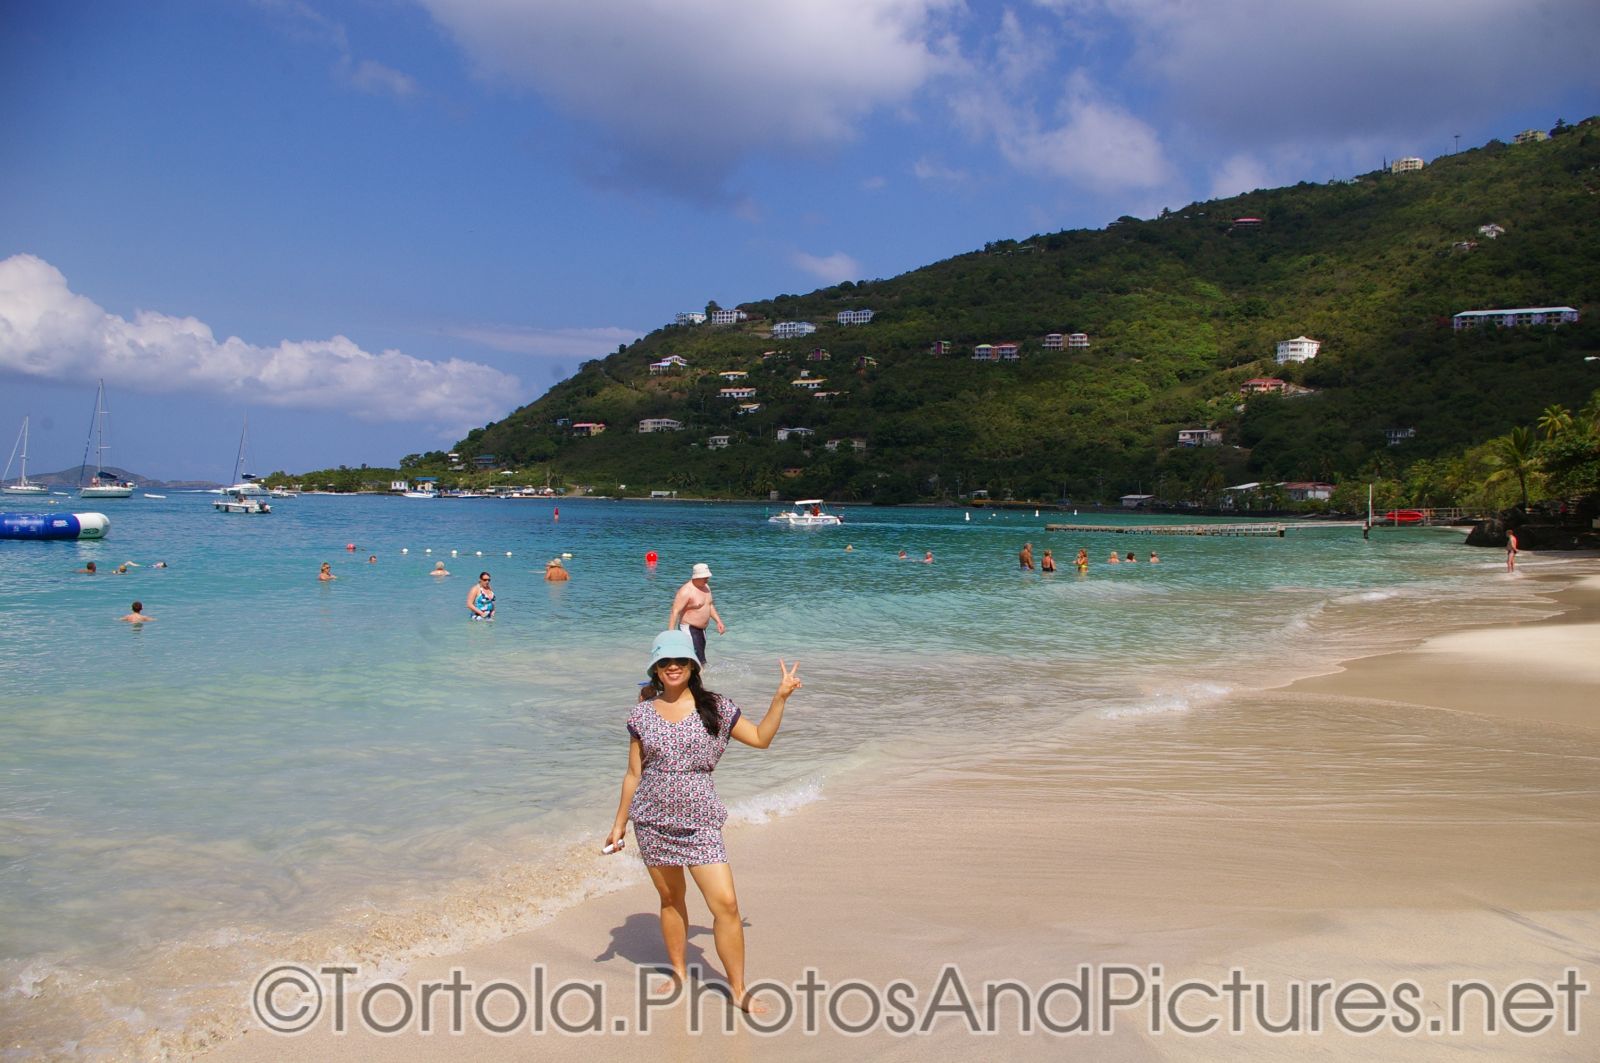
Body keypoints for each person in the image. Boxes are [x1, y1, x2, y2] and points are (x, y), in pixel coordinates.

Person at [605, 630, 802, 1013]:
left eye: (679, 661)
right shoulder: (641, 714)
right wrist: (619, 823)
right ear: (657, 670)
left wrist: (779, 699)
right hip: (652, 819)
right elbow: (632, 773)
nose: (672, 667)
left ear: (692, 666)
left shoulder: (718, 708)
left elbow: (761, 738)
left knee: (726, 904)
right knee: (670, 898)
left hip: (701, 821)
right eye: (665, 662)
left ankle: (739, 989)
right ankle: (678, 972)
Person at [668, 563, 724, 664]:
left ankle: (700, 678)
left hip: (702, 630)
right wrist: (671, 634)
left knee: (701, 659)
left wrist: (718, 621)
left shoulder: (706, 587)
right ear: (696, 577)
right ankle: (697, 678)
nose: (707, 579)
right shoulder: (686, 591)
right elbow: (674, 611)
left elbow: (710, 605)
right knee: (696, 660)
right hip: (689, 628)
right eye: (704, 577)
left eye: (708, 577)